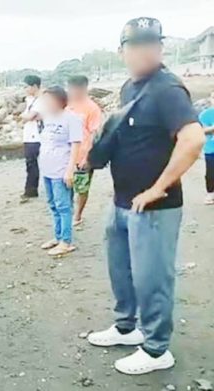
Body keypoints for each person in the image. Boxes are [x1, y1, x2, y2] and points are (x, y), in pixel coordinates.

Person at [87, 17, 205, 375]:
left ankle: (156, 349)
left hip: (155, 206)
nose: (144, 50)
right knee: (122, 271)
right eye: (136, 44)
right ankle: (127, 327)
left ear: (161, 47)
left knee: (153, 277)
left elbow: (193, 138)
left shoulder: (167, 88)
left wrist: (158, 187)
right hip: (123, 202)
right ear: (122, 51)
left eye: (151, 43)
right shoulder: (130, 88)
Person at [38, 86, 83, 256]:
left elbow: (75, 146)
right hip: (47, 168)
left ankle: (66, 241)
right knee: (53, 205)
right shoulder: (48, 118)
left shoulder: (72, 119)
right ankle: (58, 237)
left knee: (64, 206)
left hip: (61, 169)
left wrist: (70, 170)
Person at [66, 75, 103, 225]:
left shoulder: (92, 108)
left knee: (82, 187)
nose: (72, 92)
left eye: (75, 89)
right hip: (66, 155)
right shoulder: (66, 104)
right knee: (65, 186)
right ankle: (67, 212)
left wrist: (88, 157)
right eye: (70, 89)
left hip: (83, 155)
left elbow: (95, 134)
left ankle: (78, 215)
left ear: (83, 89)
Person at [20, 75, 44, 200]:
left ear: (34, 86)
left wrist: (27, 116)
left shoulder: (40, 100)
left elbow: (29, 116)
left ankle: (31, 190)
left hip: (35, 136)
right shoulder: (31, 100)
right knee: (30, 163)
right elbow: (28, 116)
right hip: (30, 135)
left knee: (32, 163)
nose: (25, 89)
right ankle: (30, 189)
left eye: (26, 86)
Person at [199, 107, 214, 204]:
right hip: (210, 148)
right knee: (211, 172)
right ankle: (210, 193)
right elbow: (200, 130)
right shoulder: (205, 114)